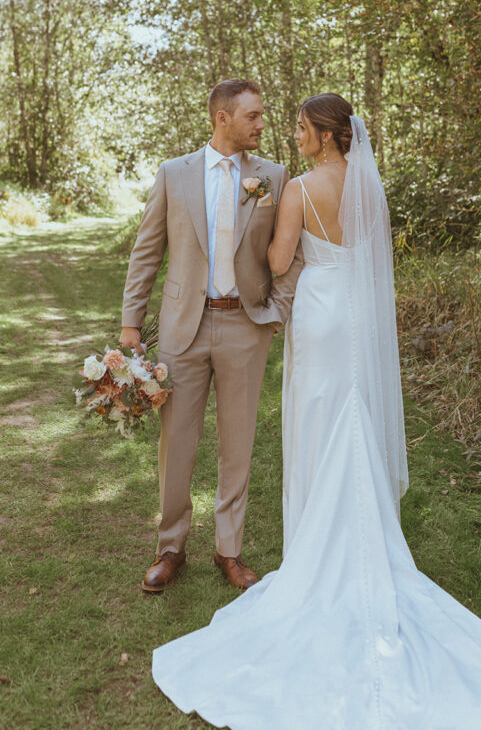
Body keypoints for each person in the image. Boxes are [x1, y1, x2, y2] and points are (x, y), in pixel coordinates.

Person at [152, 93, 481, 729]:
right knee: (354, 417)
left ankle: (318, 546)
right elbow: (369, 261)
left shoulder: (297, 190)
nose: (292, 135)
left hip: (318, 316)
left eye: (300, 128)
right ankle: (366, 537)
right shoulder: (369, 187)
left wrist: (260, 222)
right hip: (356, 316)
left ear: (323, 134)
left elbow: (280, 261)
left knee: (318, 422)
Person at [120, 78, 302, 594]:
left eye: (262, 115)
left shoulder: (273, 175)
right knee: (177, 441)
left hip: (246, 326)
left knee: (237, 444)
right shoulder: (174, 175)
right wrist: (132, 322)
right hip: (184, 327)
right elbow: (146, 251)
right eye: (253, 116)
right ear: (222, 118)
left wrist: (278, 309)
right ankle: (170, 548)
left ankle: (230, 551)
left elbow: (293, 251)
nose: (261, 124)